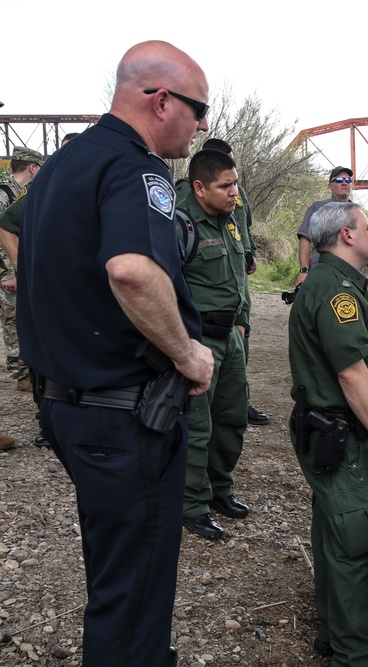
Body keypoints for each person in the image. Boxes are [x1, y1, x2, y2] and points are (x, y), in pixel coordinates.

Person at [17, 40, 214, 666]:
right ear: (161, 101)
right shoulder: (136, 167)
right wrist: (188, 355)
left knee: (114, 574)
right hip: (123, 417)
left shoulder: (64, 165)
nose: (203, 123)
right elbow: (131, 271)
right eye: (199, 108)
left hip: (68, 404)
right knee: (133, 595)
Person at [287, 201, 368, 666]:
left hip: (327, 429)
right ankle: (357, 654)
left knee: (334, 532)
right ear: (347, 236)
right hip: (342, 435)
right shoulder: (337, 292)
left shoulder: (336, 283)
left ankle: (336, 634)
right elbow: (352, 373)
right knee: (358, 541)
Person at [175, 149, 251, 540]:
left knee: (232, 418)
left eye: (235, 183)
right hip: (198, 338)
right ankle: (192, 505)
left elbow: (240, 278)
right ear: (199, 187)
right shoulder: (180, 222)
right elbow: (161, 286)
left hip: (231, 337)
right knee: (198, 426)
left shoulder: (230, 220)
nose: (234, 192)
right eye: (225, 186)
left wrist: (242, 322)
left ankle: (220, 490)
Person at [1, 134, 78, 447]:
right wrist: (23, 270)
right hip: (49, 288)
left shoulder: (103, 183)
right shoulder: (41, 187)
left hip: (84, 289)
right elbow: (7, 225)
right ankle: (48, 422)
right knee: (46, 352)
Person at [200, 137, 270, 427]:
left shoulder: (237, 194)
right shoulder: (193, 196)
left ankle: (240, 398)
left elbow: (244, 227)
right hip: (212, 272)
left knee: (241, 334)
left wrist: (250, 253)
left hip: (238, 270)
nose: (232, 189)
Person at [296, 165, 368, 295]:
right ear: (330, 186)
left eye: (348, 180)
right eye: (339, 180)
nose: (345, 183)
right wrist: (304, 271)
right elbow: (305, 240)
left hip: (352, 274)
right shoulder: (318, 208)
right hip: (323, 272)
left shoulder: (357, 212)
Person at [0, 146, 44, 392]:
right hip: (8, 272)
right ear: (32, 167)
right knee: (13, 320)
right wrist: (9, 272)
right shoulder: (5, 193)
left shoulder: (19, 192)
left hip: (16, 269)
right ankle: (22, 375)